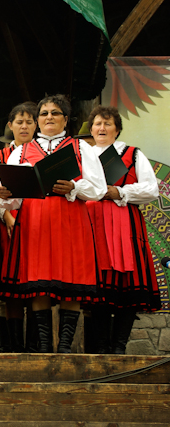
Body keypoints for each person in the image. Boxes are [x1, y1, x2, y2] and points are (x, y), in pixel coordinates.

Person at [0, 95, 106, 353]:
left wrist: (74, 187)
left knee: (72, 280)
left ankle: (65, 347)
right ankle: (45, 347)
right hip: (34, 220)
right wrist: (5, 194)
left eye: (55, 113)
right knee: (39, 282)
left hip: (71, 219)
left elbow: (99, 188)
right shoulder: (20, 151)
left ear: (65, 120)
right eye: (44, 113)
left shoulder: (81, 148)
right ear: (38, 120)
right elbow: (12, 199)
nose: (49, 117)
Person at [85, 105, 161, 353]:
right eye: (97, 124)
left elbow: (151, 189)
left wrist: (119, 191)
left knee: (127, 283)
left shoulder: (132, 154)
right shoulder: (83, 155)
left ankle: (119, 347)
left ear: (117, 130)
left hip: (125, 223)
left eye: (107, 124)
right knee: (97, 286)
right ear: (91, 129)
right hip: (92, 224)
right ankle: (100, 348)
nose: (102, 128)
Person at [0, 102, 37, 353]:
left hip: (36, 222)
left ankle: (35, 344)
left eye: (29, 122)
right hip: (8, 225)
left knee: (35, 281)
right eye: (19, 122)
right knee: (11, 286)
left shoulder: (42, 153)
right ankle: (12, 345)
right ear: (11, 126)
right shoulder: (1, 156)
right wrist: (6, 215)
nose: (24, 126)